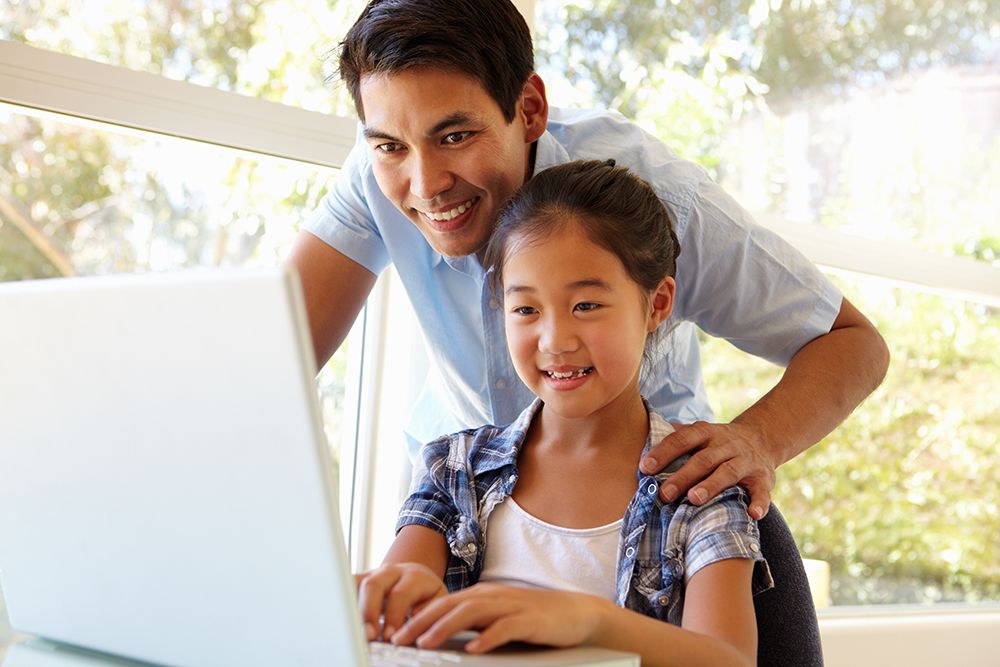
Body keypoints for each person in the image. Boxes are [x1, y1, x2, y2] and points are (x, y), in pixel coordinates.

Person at [287, 0, 889, 663]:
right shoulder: (454, 475)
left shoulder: (657, 201)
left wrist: (756, 439)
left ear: (529, 109)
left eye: (455, 136)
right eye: (524, 308)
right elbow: (271, 359)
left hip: (664, 508)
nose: (425, 183)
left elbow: (853, 342)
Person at [356, 159, 772, 666]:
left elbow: (730, 659)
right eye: (526, 310)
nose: (554, 341)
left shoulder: (699, 489)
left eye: (586, 306)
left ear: (658, 303)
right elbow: (399, 602)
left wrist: (590, 622)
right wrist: (391, 597)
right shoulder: (455, 468)